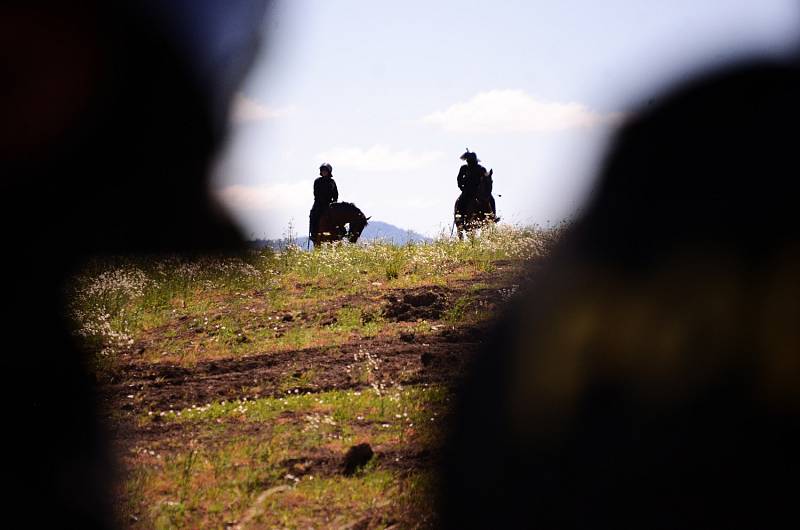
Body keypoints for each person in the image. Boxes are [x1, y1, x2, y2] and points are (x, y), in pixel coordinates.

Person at [456, 150, 497, 222]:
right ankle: (459, 217)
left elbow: (486, 179)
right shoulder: (464, 168)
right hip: (467, 191)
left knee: (491, 199)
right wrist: (462, 187)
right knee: (461, 201)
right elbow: (459, 179)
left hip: (479, 191)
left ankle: (493, 216)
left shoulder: (481, 169)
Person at [309, 162, 339, 243]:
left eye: (325, 170)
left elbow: (336, 193)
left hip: (330, 204)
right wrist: (323, 202)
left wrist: (334, 202)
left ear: (329, 172)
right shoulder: (317, 181)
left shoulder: (332, 182)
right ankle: (314, 234)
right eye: (322, 170)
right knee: (313, 214)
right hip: (319, 203)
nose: (324, 172)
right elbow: (316, 193)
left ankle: (340, 233)